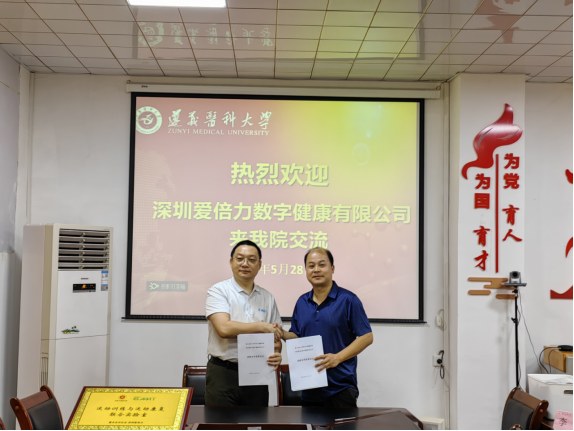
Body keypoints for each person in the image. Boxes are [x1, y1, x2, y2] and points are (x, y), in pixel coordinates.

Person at [278, 248, 373, 407]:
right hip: (309, 387)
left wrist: (337, 358)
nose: (316, 270)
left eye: (322, 265)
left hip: (340, 388)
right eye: (311, 266)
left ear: (332, 268)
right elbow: (297, 336)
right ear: (306, 270)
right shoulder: (302, 302)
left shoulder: (348, 300)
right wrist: (282, 334)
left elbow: (367, 337)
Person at [205, 240, 283, 406]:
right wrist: (261, 326)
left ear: (260, 265)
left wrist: (277, 352)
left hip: (258, 373)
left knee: (256, 420)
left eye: (252, 260)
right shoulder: (219, 291)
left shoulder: (267, 297)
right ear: (231, 262)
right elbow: (224, 328)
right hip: (224, 373)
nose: (245, 264)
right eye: (240, 258)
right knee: (219, 421)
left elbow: (275, 337)